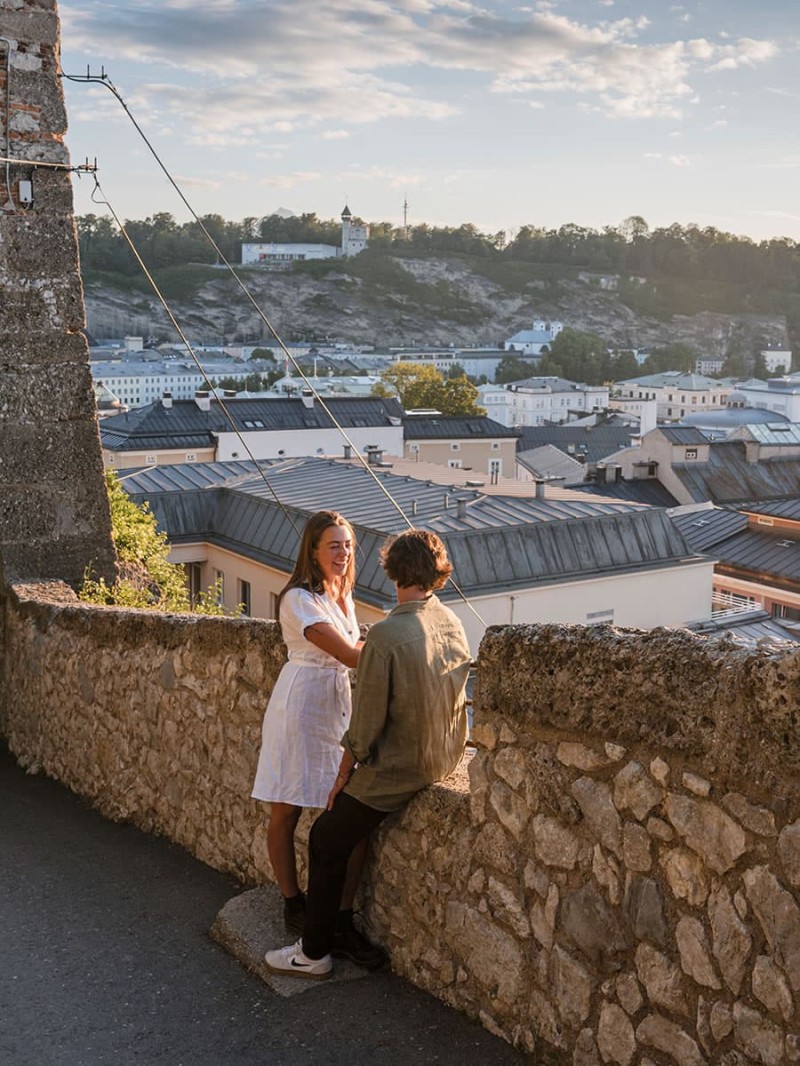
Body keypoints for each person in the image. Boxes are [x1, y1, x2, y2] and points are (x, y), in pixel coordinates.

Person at [265, 528, 472, 980]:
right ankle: (339, 926)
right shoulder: (451, 621)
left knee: (324, 838)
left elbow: (366, 725)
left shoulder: (387, 633)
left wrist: (343, 775)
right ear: (437, 571)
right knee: (344, 837)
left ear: (393, 571)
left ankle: (313, 952)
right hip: (445, 756)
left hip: (400, 768)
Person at [252, 510, 378, 965]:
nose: (343, 553)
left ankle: (340, 919)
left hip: (335, 708)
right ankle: (293, 903)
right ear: (312, 551)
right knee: (285, 808)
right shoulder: (298, 600)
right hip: (301, 707)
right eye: (334, 545)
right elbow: (348, 652)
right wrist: (402, 646)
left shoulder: (342, 598)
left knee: (347, 813)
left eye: (347, 545)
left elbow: (355, 652)